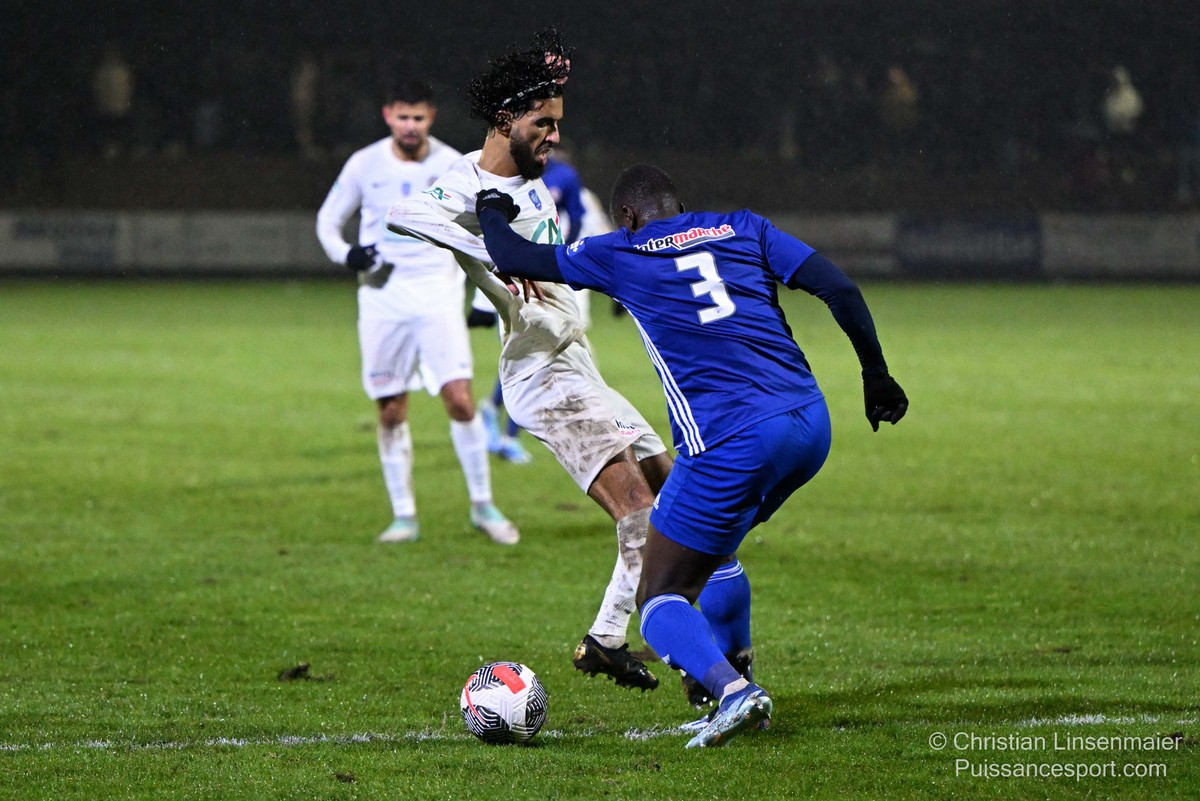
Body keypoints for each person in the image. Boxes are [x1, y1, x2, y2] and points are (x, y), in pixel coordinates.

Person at [474, 163, 909, 748]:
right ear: (678, 206)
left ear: (627, 216)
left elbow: (513, 256)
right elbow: (840, 288)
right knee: (716, 551)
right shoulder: (743, 227)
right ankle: (735, 681)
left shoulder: (622, 250)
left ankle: (733, 692)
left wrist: (491, 209)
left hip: (730, 441)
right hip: (809, 425)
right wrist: (875, 374)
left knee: (658, 596)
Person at [385, 29, 672, 691]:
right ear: (505, 120)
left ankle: (646, 630)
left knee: (675, 488)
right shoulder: (467, 182)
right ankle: (618, 638)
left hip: (580, 364)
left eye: (557, 122)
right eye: (543, 124)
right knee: (639, 509)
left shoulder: (535, 180)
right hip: (542, 376)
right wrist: (490, 252)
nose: (554, 136)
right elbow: (403, 212)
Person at [315, 78, 518, 546]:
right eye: (402, 117)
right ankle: (404, 515)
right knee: (390, 409)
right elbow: (328, 220)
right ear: (388, 115)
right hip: (382, 301)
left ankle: (483, 505)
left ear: (431, 117)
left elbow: (480, 232)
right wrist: (348, 255)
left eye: (419, 117)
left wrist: (481, 297)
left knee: (460, 400)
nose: (410, 126)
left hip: (437, 298)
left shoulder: (452, 164)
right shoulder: (364, 164)